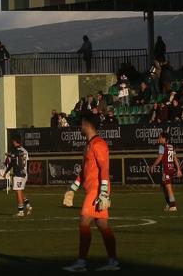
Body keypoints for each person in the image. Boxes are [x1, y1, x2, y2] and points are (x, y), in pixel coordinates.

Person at [61, 111, 118, 272]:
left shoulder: (98, 144)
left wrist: (103, 192)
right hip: (93, 190)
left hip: (97, 191)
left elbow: (104, 169)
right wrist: (72, 189)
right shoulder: (88, 145)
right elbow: (85, 171)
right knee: (102, 225)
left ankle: (81, 263)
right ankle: (113, 262)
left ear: (87, 124)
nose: (80, 126)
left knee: (84, 223)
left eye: (81, 123)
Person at [151, 131, 181, 212]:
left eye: (160, 137)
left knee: (168, 187)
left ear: (164, 138)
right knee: (164, 187)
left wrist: (153, 165)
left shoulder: (162, 146)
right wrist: (178, 169)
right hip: (171, 169)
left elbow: (160, 158)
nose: (159, 139)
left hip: (166, 170)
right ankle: (169, 203)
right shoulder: (171, 146)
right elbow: (175, 159)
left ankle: (173, 205)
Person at [6, 136, 32, 217]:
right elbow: (27, 161)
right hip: (24, 173)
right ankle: (28, 205)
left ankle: (21, 211)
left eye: (13, 142)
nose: (12, 143)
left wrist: (9, 155)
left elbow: (13, 162)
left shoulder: (16, 150)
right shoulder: (25, 150)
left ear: (15, 142)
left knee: (18, 191)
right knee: (19, 191)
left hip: (18, 173)